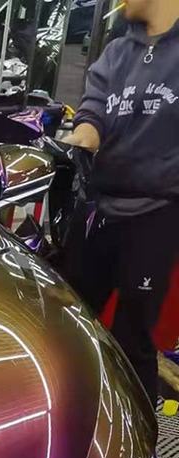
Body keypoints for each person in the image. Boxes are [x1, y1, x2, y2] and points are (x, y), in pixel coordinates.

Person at [63, 0, 179, 409]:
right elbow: (94, 107)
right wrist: (84, 133)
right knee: (71, 322)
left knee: (133, 339)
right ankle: (71, 411)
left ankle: (139, 432)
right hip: (99, 207)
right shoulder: (117, 51)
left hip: (155, 214)